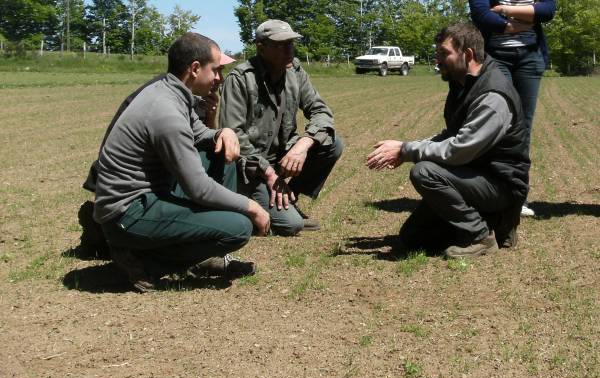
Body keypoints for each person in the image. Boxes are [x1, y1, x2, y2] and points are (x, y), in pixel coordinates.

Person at [92, 33, 270, 292]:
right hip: (127, 213)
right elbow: (198, 188)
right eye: (216, 70)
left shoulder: (171, 91)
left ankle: (191, 250)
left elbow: (200, 134)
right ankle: (146, 261)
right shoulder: (167, 112)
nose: (219, 78)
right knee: (239, 227)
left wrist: (223, 132)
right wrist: (252, 206)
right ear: (195, 69)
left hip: (149, 197)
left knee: (222, 155)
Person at [366, 23, 530, 259]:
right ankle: (495, 225)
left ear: (469, 54)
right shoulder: (462, 83)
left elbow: (459, 149)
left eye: (444, 53)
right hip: (474, 175)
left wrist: (405, 151)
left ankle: (482, 235)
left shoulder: (492, 96)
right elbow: (451, 134)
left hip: (501, 185)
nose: (437, 60)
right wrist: (408, 146)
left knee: (425, 172)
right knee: (412, 238)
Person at [219, 19, 344, 236]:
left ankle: (288, 196)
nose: (289, 50)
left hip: (281, 157)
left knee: (332, 144)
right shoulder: (240, 79)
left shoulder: (295, 72)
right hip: (250, 167)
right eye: (280, 45)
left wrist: (303, 146)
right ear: (261, 47)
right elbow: (235, 135)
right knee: (291, 225)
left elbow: (321, 112)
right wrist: (268, 173)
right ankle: (248, 203)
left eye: (291, 44)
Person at [469, 0, 556, 217]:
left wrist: (504, 10)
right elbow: (481, 15)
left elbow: (547, 11)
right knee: (496, 123)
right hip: (495, 58)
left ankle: (518, 196)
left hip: (530, 57)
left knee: (523, 128)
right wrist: (511, 25)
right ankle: (490, 195)